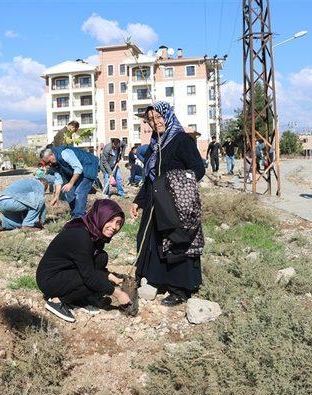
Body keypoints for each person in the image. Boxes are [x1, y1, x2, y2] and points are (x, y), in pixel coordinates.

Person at [130, 101, 205, 306]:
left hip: (175, 202)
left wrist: (175, 184)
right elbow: (150, 177)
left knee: (176, 240)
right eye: (151, 120)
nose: (155, 122)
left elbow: (198, 169)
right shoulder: (155, 144)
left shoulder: (181, 140)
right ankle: (153, 278)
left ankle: (179, 289)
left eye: (158, 117)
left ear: (168, 115)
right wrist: (139, 200)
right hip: (155, 201)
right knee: (149, 238)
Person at [36, 199, 132, 322]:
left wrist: (111, 277)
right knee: (92, 280)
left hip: (65, 270)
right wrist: (117, 294)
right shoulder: (81, 237)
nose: (114, 227)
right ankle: (58, 301)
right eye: (110, 220)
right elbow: (90, 276)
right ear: (100, 216)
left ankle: (76, 298)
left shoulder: (92, 231)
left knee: (101, 258)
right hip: (49, 280)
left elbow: (90, 263)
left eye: (118, 223)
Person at [39, 146, 99, 219]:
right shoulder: (54, 163)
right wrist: (56, 196)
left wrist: (70, 183)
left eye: (48, 162)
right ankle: (75, 212)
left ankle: (79, 217)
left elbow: (78, 168)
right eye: (46, 163)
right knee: (67, 191)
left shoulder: (65, 153)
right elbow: (58, 180)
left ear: (51, 155)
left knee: (80, 191)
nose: (49, 164)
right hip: (78, 172)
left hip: (89, 166)